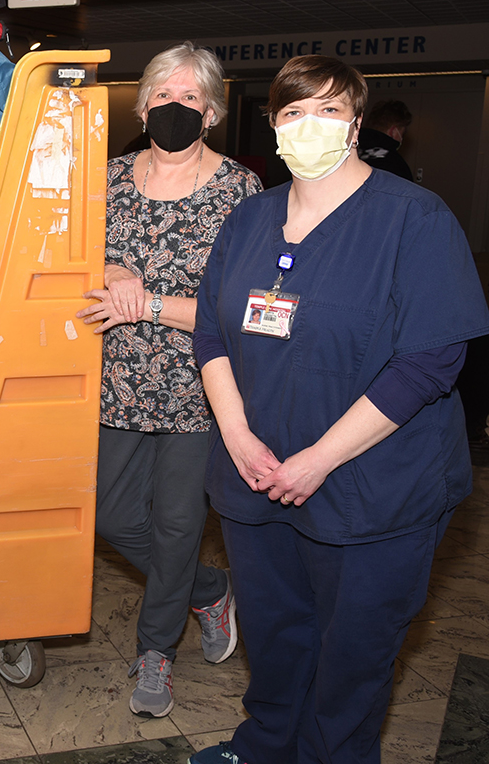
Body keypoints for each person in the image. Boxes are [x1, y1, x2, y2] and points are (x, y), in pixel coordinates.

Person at [190, 56, 489, 764]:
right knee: (274, 634)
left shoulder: (413, 218)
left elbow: (431, 360)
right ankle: (265, 745)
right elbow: (211, 331)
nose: (309, 126)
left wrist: (321, 459)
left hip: (372, 489)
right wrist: (235, 433)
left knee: (352, 652)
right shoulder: (250, 219)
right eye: (292, 112)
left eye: (327, 110)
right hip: (257, 477)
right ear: (272, 125)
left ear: (356, 124)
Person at [75, 41, 262, 718]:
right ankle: (210, 589)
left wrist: (149, 302)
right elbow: (65, 256)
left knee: (180, 523)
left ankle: (156, 650)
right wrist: (109, 271)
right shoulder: (106, 177)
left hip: (199, 386)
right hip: (112, 379)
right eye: (162, 95)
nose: (174, 107)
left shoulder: (242, 191)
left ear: (212, 112)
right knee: (111, 514)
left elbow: (240, 306)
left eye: (190, 98)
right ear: (142, 103)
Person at [357, 99, 413, 181]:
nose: (402, 138)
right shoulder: (395, 164)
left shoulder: (352, 153)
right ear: (393, 131)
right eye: (402, 133)